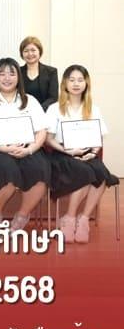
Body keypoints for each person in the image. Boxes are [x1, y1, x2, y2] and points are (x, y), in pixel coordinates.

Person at [0, 58, 51, 232]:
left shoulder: (30, 101)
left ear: (18, 77)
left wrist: (30, 149)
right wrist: (1, 147)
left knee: (40, 170)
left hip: (27, 149)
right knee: (6, 169)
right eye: (2, 74)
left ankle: (22, 215)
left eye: (12, 74)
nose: (7, 78)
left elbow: (42, 131)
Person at [46, 65, 118, 243]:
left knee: (102, 175)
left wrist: (92, 152)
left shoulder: (93, 108)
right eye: (72, 80)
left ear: (86, 83)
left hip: (86, 153)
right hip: (62, 154)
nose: (76, 84)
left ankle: (83, 219)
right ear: (65, 83)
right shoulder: (55, 108)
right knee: (85, 173)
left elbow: (98, 138)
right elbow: (49, 139)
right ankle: (70, 218)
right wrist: (68, 150)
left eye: (80, 80)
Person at [18, 36, 58, 111]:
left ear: (39, 51)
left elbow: (53, 98)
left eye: (33, 50)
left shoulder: (51, 72)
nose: (30, 54)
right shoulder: (17, 72)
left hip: (44, 112)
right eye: (26, 51)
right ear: (22, 54)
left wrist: (37, 110)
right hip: (22, 112)